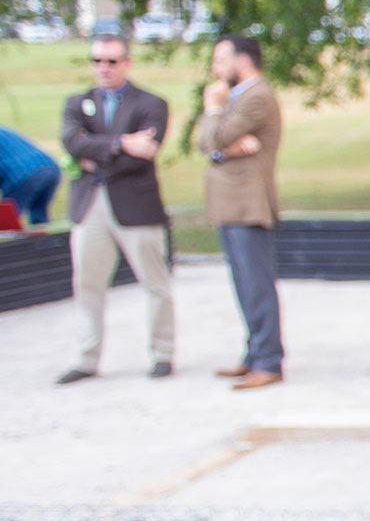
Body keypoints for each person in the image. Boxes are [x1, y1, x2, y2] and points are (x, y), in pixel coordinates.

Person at [56, 34, 174, 384]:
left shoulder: (150, 103)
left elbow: (145, 152)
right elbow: (71, 141)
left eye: (111, 61)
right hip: (89, 203)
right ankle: (86, 358)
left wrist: (94, 155)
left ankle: (162, 353)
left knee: (155, 282)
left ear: (126, 63)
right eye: (97, 61)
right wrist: (123, 143)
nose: (103, 68)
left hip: (135, 205)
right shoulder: (78, 103)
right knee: (87, 283)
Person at [195, 34, 286, 389]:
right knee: (243, 285)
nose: (215, 68)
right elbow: (205, 143)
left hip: (249, 204)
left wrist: (213, 107)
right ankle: (253, 355)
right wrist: (225, 148)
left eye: (221, 60)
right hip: (230, 206)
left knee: (256, 285)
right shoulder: (237, 98)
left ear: (243, 61)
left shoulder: (257, 96)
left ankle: (268, 361)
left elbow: (214, 136)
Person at [0, 125, 61, 228]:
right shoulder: (3, 131)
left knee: (5, 222)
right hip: (51, 168)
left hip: (23, 175)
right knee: (39, 220)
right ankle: (44, 237)